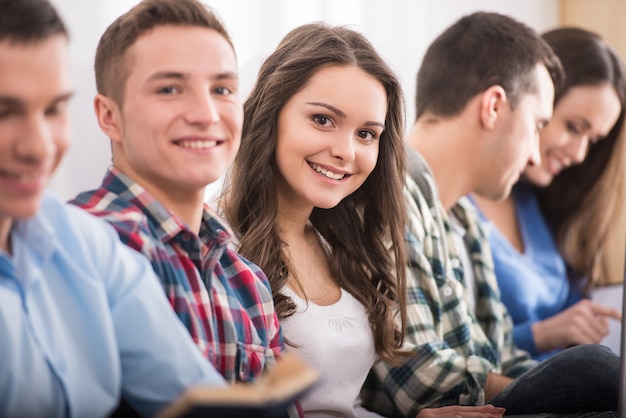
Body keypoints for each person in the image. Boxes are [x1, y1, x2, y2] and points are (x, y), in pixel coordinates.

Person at [221, 22, 504, 418]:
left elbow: (345, 406)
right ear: (271, 114)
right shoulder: (222, 248)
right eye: (322, 120)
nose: (346, 152)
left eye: (367, 134)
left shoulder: (341, 245)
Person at [361, 11, 620, 417]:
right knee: (598, 369)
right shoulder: (386, 195)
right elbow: (418, 379)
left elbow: (502, 352)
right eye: (538, 125)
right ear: (494, 107)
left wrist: (555, 387)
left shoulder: (465, 221)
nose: (536, 152)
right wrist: (562, 384)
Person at [0, 0, 229, 416]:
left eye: (53, 109)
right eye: (4, 113)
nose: (38, 147)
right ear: (108, 115)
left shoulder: (84, 244)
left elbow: (199, 399)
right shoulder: (113, 231)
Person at [70, 0, 283, 386]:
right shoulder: (78, 247)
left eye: (222, 88)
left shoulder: (248, 281)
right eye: (170, 89)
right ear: (109, 116)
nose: (206, 113)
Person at [472, 27, 625, 360]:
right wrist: (545, 333)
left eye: (593, 140)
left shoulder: (537, 202)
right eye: (573, 127)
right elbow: (453, 352)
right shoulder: (457, 208)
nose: (580, 154)